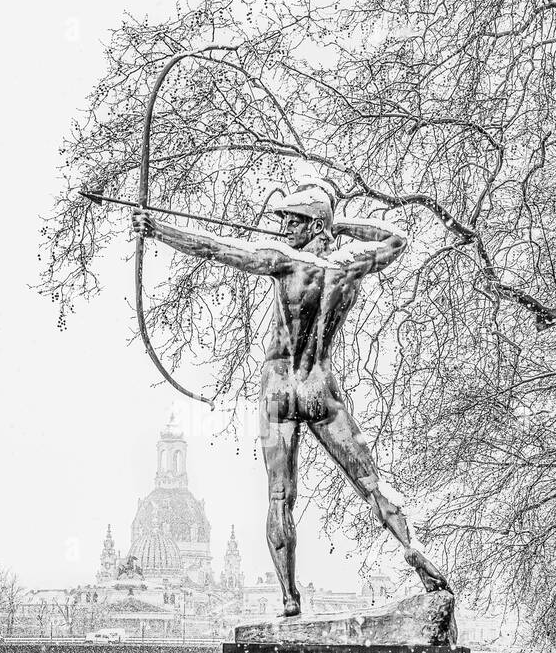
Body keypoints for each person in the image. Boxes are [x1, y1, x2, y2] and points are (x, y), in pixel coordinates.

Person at [132, 184, 448, 616]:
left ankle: (288, 597)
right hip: (318, 384)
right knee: (371, 482)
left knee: (280, 495)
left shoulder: (283, 262)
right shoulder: (349, 266)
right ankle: (414, 552)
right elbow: (396, 238)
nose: (284, 228)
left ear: (315, 224)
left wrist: (158, 230)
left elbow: (214, 247)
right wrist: (341, 225)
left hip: (280, 387)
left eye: (293, 221)